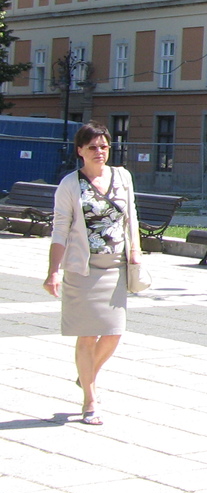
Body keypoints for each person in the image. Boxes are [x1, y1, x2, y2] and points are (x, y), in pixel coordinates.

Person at [42, 122, 142, 426]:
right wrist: (53, 272)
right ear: (80, 151)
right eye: (93, 147)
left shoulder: (122, 176)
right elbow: (60, 230)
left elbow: (131, 216)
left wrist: (135, 250)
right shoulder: (70, 184)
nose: (100, 152)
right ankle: (90, 398)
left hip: (115, 267)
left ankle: (86, 376)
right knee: (87, 335)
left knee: (113, 333)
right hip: (83, 269)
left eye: (104, 146)